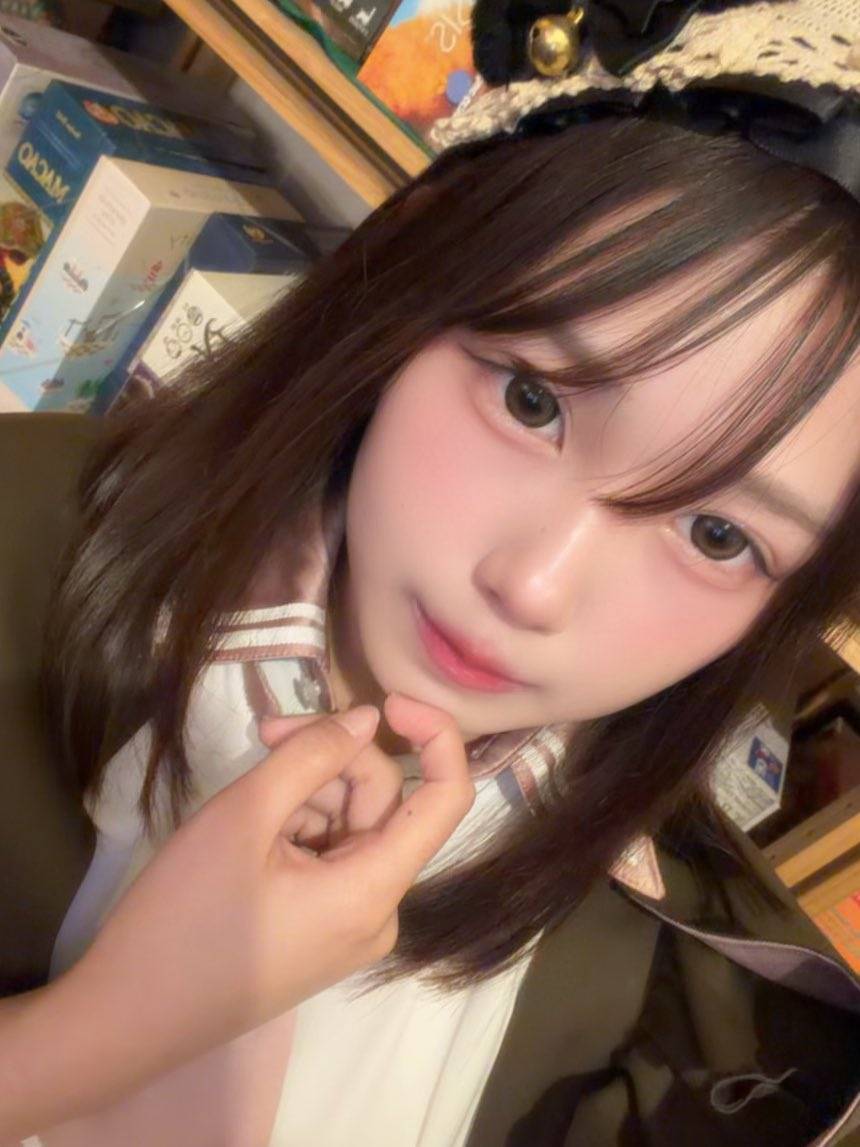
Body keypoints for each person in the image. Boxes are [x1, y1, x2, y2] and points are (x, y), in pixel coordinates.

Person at [2, 0, 860, 1144]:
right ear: (412, 291)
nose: (532, 586)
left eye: (714, 536)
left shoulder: (714, 1028)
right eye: (532, 401)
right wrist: (102, 1034)